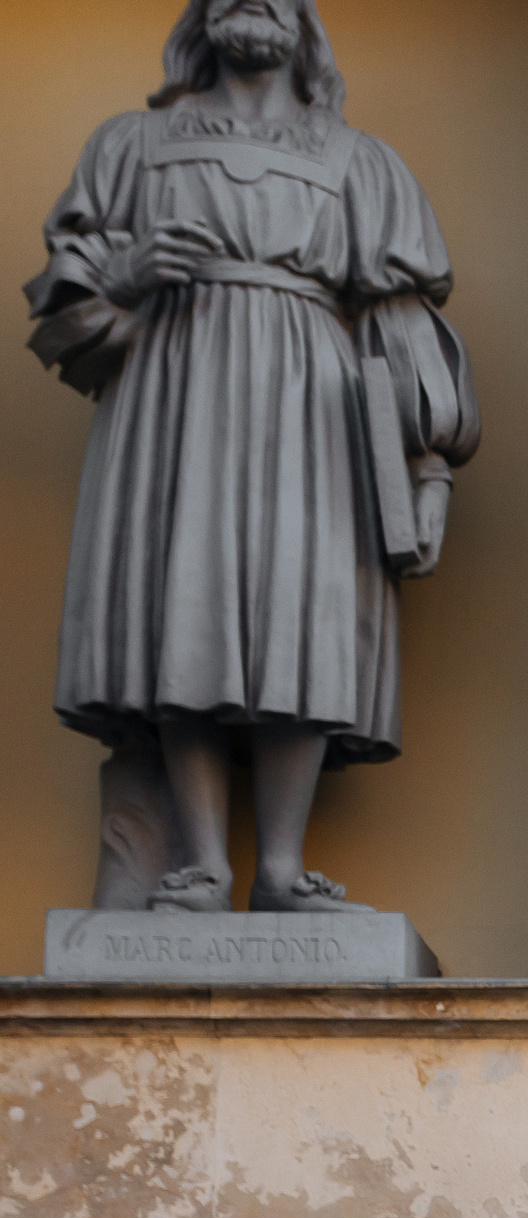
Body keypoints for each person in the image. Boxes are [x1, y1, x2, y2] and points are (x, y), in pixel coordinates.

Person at [26, 0, 479, 914]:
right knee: (183, 601)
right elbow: (65, 313)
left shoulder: (359, 163)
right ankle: (198, 864)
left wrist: (429, 472)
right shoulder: (131, 147)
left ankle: (280, 869)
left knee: (304, 612)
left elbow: (403, 325)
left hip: (312, 408)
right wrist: (124, 275)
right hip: (172, 394)